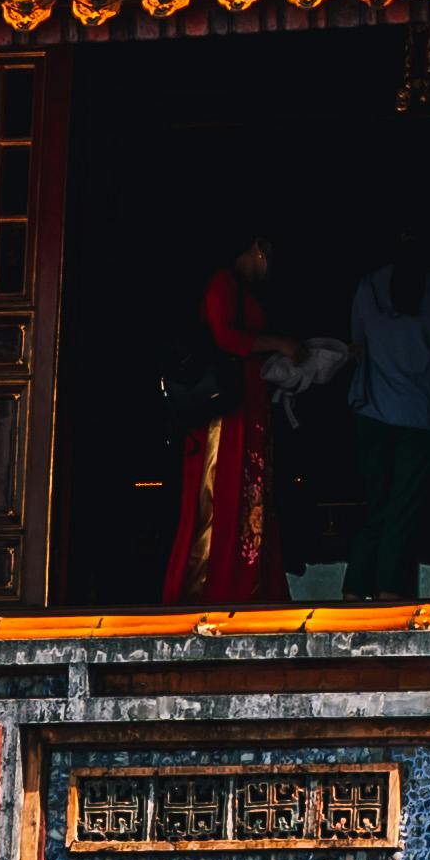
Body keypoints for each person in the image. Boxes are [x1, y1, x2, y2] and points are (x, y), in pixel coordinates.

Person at [162, 240, 291, 608]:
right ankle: (209, 588)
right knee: (220, 496)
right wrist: (279, 344)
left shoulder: (242, 290)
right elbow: (226, 338)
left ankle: (247, 585)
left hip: (250, 411)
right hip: (226, 416)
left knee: (249, 498)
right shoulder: (223, 283)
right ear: (258, 247)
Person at [345, 253, 430, 598]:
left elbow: (356, 345)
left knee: (374, 507)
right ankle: (389, 594)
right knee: (403, 510)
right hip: (420, 414)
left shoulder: (368, 286)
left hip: (372, 411)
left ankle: (353, 592)